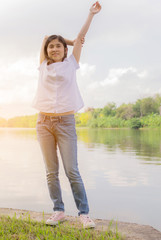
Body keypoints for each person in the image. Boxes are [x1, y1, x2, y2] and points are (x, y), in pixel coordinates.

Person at [32, 1, 101, 228]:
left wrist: (90, 15)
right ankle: (58, 210)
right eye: (51, 46)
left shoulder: (72, 63)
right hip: (43, 123)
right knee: (51, 172)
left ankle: (83, 213)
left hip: (66, 122)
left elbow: (81, 37)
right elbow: (43, 37)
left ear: (65, 51)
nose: (53, 49)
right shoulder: (43, 65)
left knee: (72, 171)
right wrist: (63, 40)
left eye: (58, 46)